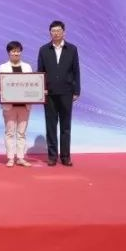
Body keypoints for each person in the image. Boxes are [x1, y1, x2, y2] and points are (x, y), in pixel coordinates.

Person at [36, 20, 80, 167]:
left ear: (64, 32)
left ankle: (65, 157)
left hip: (67, 92)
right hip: (49, 93)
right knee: (51, 126)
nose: (56, 33)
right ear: (50, 33)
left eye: (58, 30)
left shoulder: (72, 49)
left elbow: (76, 71)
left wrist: (76, 91)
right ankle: (52, 156)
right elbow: (40, 72)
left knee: (65, 126)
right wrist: (40, 91)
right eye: (53, 31)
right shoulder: (43, 50)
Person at [0, 41, 33, 167]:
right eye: (13, 51)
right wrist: (0, 91)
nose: (16, 53)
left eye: (18, 51)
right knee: (10, 132)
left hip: (24, 105)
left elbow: (33, 84)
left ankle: (20, 157)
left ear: (21, 52)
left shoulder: (27, 67)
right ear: (9, 53)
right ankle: (10, 158)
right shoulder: (3, 67)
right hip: (9, 105)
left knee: (21, 133)